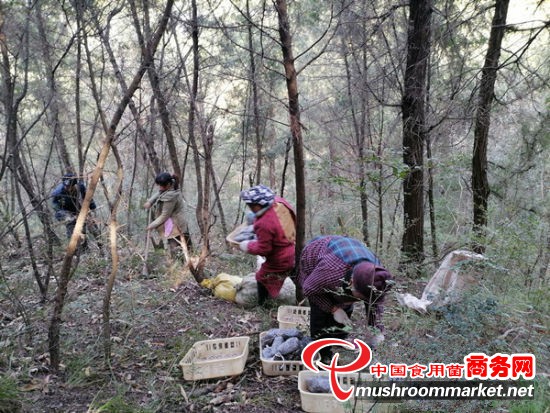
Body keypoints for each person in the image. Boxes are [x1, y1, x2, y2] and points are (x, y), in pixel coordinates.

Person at [297, 235, 394, 362]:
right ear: (351, 282)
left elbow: (375, 303)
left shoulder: (378, 275)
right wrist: (333, 309)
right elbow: (309, 289)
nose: (361, 300)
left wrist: (377, 330)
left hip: (347, 256)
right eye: (361, 296)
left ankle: (339, 339)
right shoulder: (330, 271)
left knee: (346, 304)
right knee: (321, 314)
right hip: (315, 256)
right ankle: (322, 352)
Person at [238, 184, 296, 305]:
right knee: (295, 273)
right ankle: (301, 297)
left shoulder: (264, 223)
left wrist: (247, 245)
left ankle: (263, 304)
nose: (249, 208)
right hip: (292, 247)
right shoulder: (279, 202)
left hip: (281, 257)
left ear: (258, 206)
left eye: (250, 205)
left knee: (262, 277)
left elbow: (264, 249)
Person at [144, 172, 192, 255]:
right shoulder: (171, 185)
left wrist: (151, 225)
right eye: (159, 185)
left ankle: (181, 266)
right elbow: (160, 192)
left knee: (177, 250)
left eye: (162, 185)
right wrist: (150, 201)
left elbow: (164, 216)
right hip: (172, 222)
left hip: (176, 226)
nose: (160, 187)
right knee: (181, 248)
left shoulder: (171, 196)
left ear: (169, 184)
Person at [51, 172, 100, 249]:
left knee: (92, 227)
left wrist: (92, 207)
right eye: (65, 186)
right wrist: (67, 216)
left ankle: (100, 245)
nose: (67, 188)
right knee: (73, 228)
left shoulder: (80, 187)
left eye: (69, 186)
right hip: (66, 212)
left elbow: (87, 198)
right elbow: (55, 206)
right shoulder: (58, 192)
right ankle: (78, 250)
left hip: (80, 209)